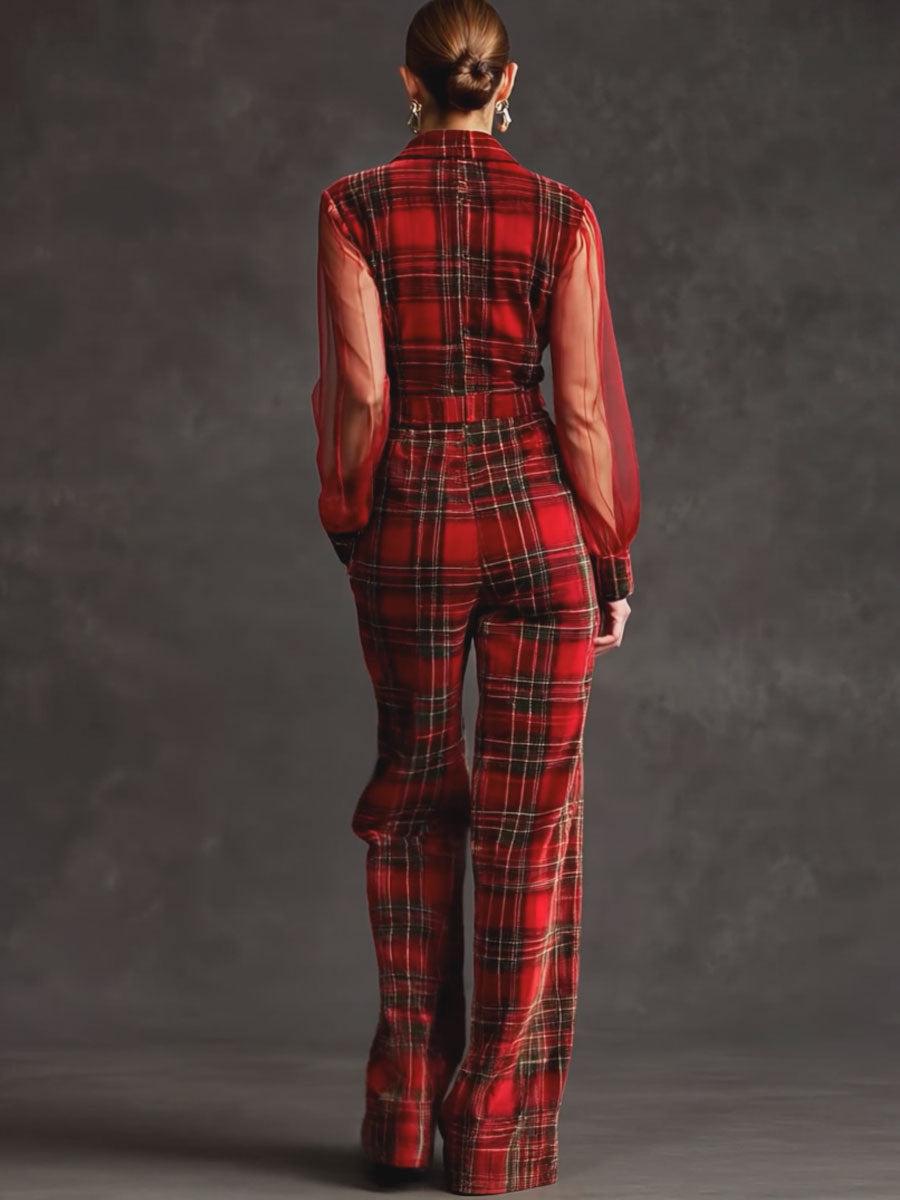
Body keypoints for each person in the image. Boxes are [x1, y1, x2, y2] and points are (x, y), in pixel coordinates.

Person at [310, 1, 641, 1192]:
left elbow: (362, 394)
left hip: (410, 523)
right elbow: (584, 409)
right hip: (540, 528)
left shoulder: (353, 206)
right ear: (506, 83)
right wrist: (607, 558)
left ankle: (404, 1121)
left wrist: (350, 517)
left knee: (412, 805)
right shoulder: (562, 213)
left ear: (410, 82)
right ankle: (493, 1139)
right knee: (528, 827)